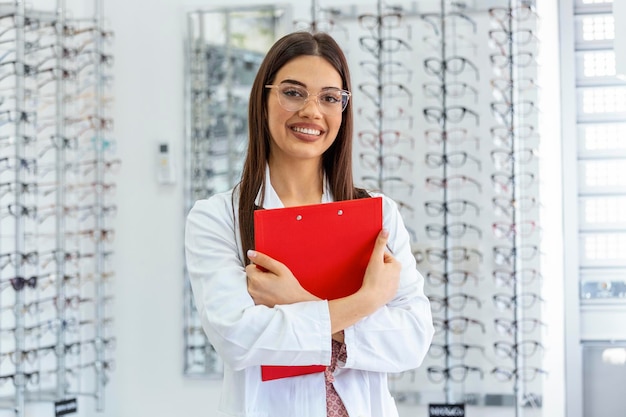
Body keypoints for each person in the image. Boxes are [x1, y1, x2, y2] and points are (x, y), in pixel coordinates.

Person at [185, 31, 434, 417]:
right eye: (293, 92)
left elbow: (413, 341)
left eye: (330, 98)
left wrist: (295, 301)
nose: (312, 112)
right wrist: (366, 301)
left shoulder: (378, 214)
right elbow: (238, 337)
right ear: (263, 100)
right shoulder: (217, 218)